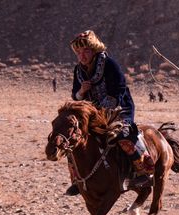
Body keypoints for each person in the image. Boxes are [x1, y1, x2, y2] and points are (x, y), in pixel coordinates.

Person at [66, 30, 154, 195]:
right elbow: (75, 94)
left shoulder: (109, 64)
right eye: (78, 52)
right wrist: (81, 92)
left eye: (85, 51)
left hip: (119, 108)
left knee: (122, 134)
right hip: (92, 114)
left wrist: (104, 110)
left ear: (94, 49)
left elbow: (119, 89)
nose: (82, 55)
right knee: (74, 139)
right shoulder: (78, 70)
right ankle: (77, 179)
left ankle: (143, 170)